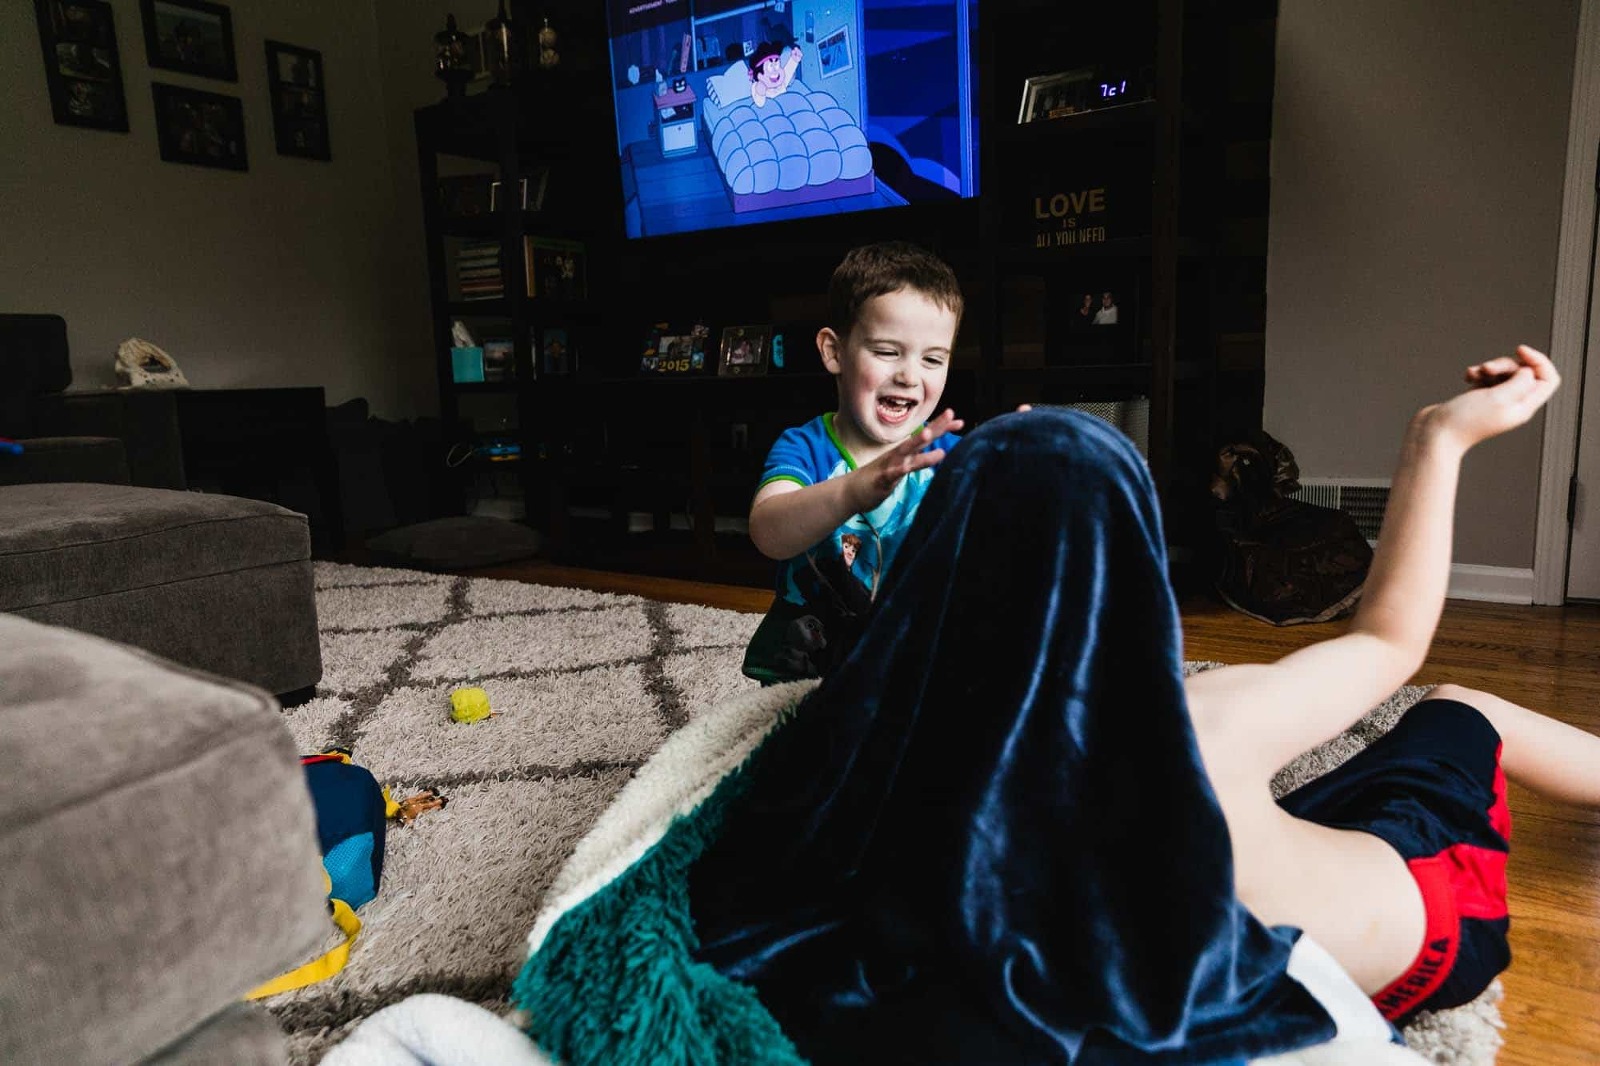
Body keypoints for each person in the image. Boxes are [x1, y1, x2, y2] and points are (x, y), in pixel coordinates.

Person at [680, 345, 1587, 1060]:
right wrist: (1438, 436)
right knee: (1465, 711)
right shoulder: (1209, 722)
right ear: (1132, 573)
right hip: (1421, 931)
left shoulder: (882, 768)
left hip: (1234, 894)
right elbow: (1387, 642)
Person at [740, 242, 966, 684]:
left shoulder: (950, 455)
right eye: (887, 351)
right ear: (834, 351)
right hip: (809, 670)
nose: (909, 374)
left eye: (933, 359)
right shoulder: (805, 448)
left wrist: (1025, 463)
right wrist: (851, 490)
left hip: (911, 663)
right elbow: (768, 533)